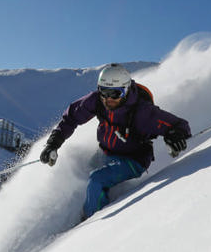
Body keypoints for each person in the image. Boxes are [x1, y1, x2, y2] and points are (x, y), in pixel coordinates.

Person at [39, 63, 192, 220]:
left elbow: (180, 126)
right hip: (104, 152)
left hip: (133, 160)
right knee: (80, 173)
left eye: (115, 93)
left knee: (96, 180)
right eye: (104, 92)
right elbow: (71, 117)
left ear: (125, 90)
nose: (108, 99)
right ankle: (84, 208)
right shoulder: (98, 101)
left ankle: (90, 224)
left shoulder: (142, 112)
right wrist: (53, 143)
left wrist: (176, 136)